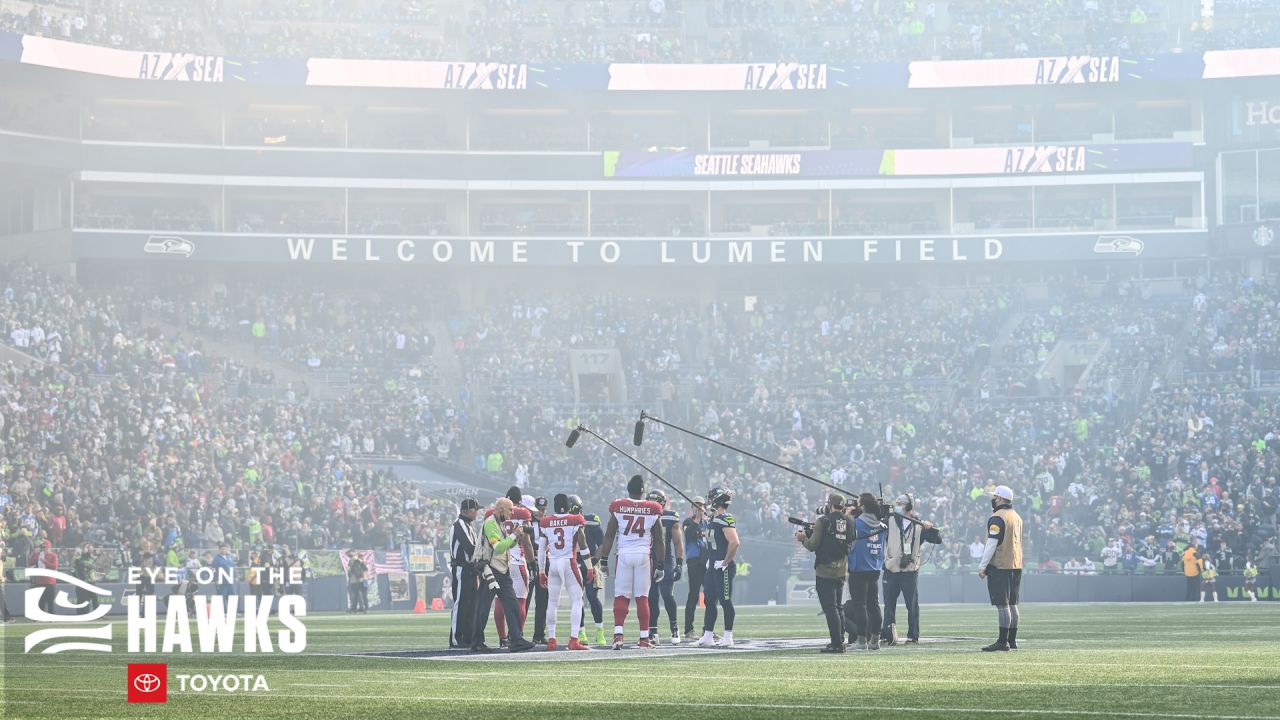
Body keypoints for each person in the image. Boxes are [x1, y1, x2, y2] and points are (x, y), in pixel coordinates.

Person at [598, 474, 665, 649]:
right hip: (643, 555)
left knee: (621, 595)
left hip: (624, 555)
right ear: (644, 492)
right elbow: (659, 540)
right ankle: (644, 638)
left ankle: (618, 636)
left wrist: (604, 559)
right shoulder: (653, 508)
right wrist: (661, 565)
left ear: (628, 489)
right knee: (642, 597)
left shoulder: (619, 506)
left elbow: (610, 535)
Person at [470, 496, 535, 653]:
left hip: (501, 570)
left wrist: (515, 536)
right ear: (500, 510)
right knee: (483, 607)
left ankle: (516, 639)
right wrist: (514, 535)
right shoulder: (491, 523)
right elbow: (498, 547)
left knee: (512, 605)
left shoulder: (498, 523)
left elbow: (505, 546)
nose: (512, 513)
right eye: (510, 509)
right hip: (491, 570)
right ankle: (477, 641)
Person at [880, 493, 942, 645]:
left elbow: (937, 539)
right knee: (888, 604)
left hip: (910, 570)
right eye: (897, 503)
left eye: (900, 503)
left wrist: (930, 527)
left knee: (912, 605)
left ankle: (913, 635)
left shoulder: (918, 524)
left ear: (908, 505)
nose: (897, 505)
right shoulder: (889, 520)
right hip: (891, 567)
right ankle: (887, 634)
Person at [797, 492, 853, 653]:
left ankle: (836, 643)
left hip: (824, 571)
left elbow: (813, 545)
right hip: (842, 569)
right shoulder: (849, 521)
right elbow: (850, 539)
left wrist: (803, 539)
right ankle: (840, 640)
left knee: (830, 608)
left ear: (829, 505)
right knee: (838, 607)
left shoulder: (823, 521)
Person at [536, 493, 593, 651]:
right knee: (577, 600)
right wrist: (589, 567)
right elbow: (583, 545)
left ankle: (552, 639)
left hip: (553, 563)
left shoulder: (546, 522)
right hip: (569, 562)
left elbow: (541, 550)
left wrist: (541, 571)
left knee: (552, 602)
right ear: (568, 506)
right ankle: (574, 639)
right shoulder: (575, 520)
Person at [486, 488, 534, 648]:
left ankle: (502, 638)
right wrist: (532, 561)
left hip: (498, 564)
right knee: (519, 602)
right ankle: (517, 636)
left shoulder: (491, 516)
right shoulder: (523, 514)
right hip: (517, 562)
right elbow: (526, 543)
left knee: (500, 602)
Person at [978, 484, 1023, 652]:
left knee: (1003, 605)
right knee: (1012, 603)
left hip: (1001, 565)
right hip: (1016, 564)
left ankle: (1002, 641)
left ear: (1001, 498)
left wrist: (983, 566)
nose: (993, 499)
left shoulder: (998, 517)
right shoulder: (1017, 516)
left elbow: (992, 543)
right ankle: (1012, 640)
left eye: (995, 497)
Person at [695, 486, 739, 648]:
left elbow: (734, 543)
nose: (709, 501)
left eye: (712, 498)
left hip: (723, 567)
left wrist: (725, 562)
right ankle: (708, 635)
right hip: (713, 564)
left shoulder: (726, 518)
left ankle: (728, 636)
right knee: (709, 600)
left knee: (725, 600)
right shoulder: (714, 519)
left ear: (718, 500)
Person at [846, 492, 886, 651]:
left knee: (859, 605)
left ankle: (862, 641)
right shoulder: (882, 526)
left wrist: (848, 517)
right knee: (874, 605)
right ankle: (875, 640)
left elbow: (848, 539)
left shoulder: (856, 524)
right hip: (875, 568)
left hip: (858, 568)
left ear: (862, 506)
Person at [647, 490, 686, 646]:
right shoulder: (644, 516)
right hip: (649, 559)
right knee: (652, 597)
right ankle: (653, 631)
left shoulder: (670, 517)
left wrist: (679, 563)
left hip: (666, 559)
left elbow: (678, 542)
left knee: (667, 594)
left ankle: (674, 627)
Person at [573, 496, 607, 646]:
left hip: (591, 560)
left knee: (593, 597)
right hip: (574, 561)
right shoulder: (565, 522)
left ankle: (599, 630)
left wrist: (594, 561)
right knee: (577, 599)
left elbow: (603, 543)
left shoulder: (591, 522)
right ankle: (581, 631)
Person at [449, 497, 480, 646]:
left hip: (470, 569)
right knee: (460, 602)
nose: (477, 513)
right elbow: (469, 547)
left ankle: (468, 636)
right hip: (461, 568)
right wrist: (483, 553)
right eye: (475, 510)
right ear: (467, 511)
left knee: (471, 603)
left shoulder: (469, 526)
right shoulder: (459, 525)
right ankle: (456, 637)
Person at [681, 496, 708, 640]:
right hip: (694, 561)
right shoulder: (688, 522)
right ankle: (689, 630)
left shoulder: (707, 523)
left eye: (701, 505)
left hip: (706, 561)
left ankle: (708, 629)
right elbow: (689, 534)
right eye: (696, 505)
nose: (698, 508)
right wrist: (697, 519)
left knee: (710, 595)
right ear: (692, 508)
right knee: (693, 595)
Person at [530, 495, 551, 645]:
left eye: (543, 509)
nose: (541, 512)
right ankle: (516, 634)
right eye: (538, 509)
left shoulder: (549, 524)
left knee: (543, 601)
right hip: (530, 563)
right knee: (523, 599)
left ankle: (539, 634)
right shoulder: (527, 522)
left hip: (544, 564)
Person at [29, 540, 58, 616]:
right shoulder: (39, 555)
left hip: (50, 581)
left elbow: (54, 566)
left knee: (50, 601)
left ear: (49, 547)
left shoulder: (53, 555)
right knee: (41, 600)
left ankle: (52, 616)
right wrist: (35, 554)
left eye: (45, 547)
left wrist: (44, 561)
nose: (44, 549)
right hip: (40, 581)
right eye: (42, 547)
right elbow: (31, 563)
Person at [72, 543, 99, 613]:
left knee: (95, 598)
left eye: (90, 548)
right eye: (87, 548)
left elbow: (98, 566)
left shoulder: (93, 558)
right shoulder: (79, 558)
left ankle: (98, 614)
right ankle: (84, 614)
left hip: (92, 580)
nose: (90, 549)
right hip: (82, 581)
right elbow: (76, 568)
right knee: (83, 599)